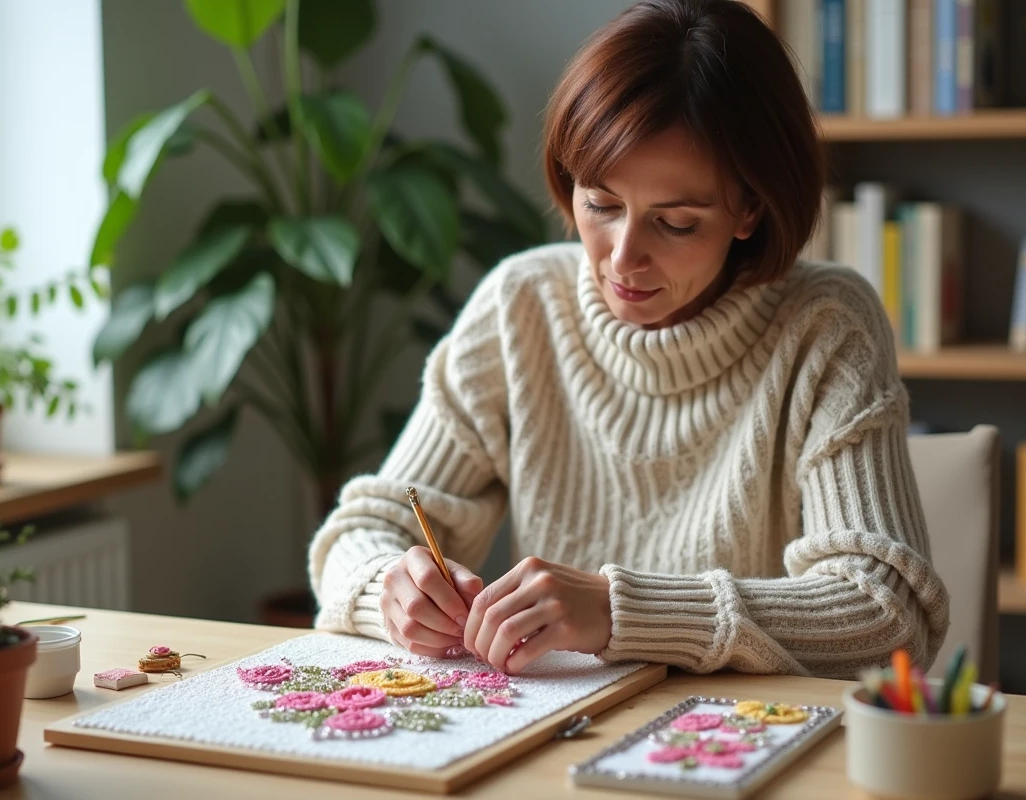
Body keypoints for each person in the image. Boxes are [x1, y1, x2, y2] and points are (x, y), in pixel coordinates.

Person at [308, 0, 949, 680]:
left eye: (675, 222)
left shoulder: (825, 326)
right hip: (557, 747)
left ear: (750, 209)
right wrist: (392, 591)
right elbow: (361, 532)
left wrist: (621, 612)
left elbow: (887, 614)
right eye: (601, 204)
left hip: (745, 750)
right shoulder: (520, 306)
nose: (621, 258)